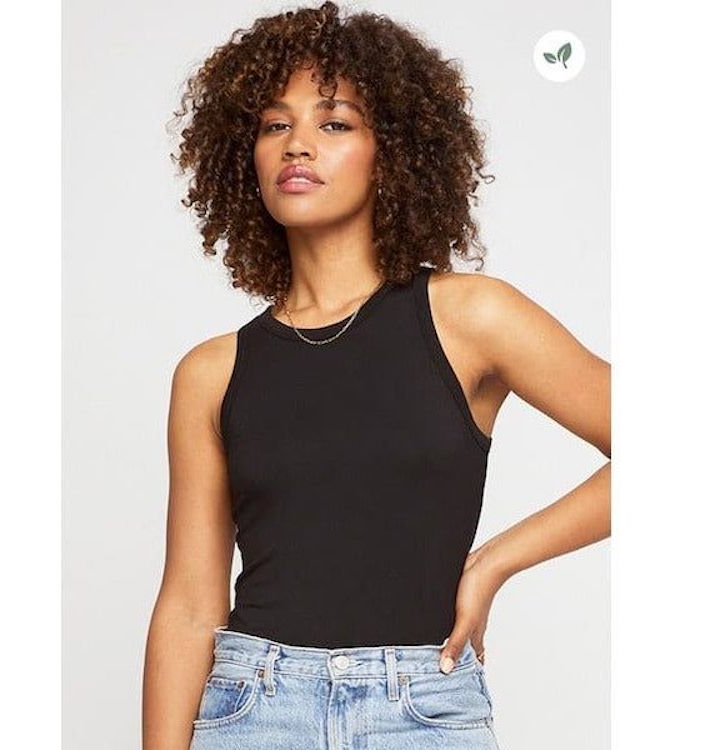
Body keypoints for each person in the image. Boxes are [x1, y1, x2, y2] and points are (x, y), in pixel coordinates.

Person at [142, 3, 611, 749]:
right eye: (274, 124)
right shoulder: (211, 372)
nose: (298, 144)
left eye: (334, 123)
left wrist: (494, 562)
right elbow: (191, 605)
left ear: (391, 151)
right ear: (245, 157)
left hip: (422, 709)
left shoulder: (471, 317)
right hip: (254, 711)